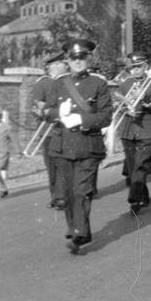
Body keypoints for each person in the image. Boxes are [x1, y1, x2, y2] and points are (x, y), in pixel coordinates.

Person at [43, 38, 112, 253]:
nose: (78, 62)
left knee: (82, 190)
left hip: (88, 146)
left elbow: (106, 117)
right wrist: (58, 113)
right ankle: (78, 229)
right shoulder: (59, 83)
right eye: (74, 58)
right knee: (68, 193)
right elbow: (47, 112)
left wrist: (81, 120)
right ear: (67, 61)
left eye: (82, 57)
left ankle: (79, 233)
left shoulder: (98, 84)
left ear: (88, 59)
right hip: (63, 146)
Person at [115, 52, 151, 213]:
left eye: (139, 67)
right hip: (128, 129)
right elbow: (118, 102)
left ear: (146, 67)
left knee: (141, 165)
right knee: (133, 168)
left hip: (146, 129)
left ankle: (134, 199)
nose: (135, 70)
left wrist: (144, 99)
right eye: (132, 67)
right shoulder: (125, 83)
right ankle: (143, 196)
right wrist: (125, 107)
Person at [30, 51, 68, 209]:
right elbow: (39, 105)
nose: (65, 66)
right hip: (49, 130)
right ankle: (57, 196)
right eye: (61, 64)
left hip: (65, 130)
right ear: (52, 66)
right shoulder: (43, 83)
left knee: (63, 165)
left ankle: (62, 196)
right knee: (52, 166)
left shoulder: (66, 81)